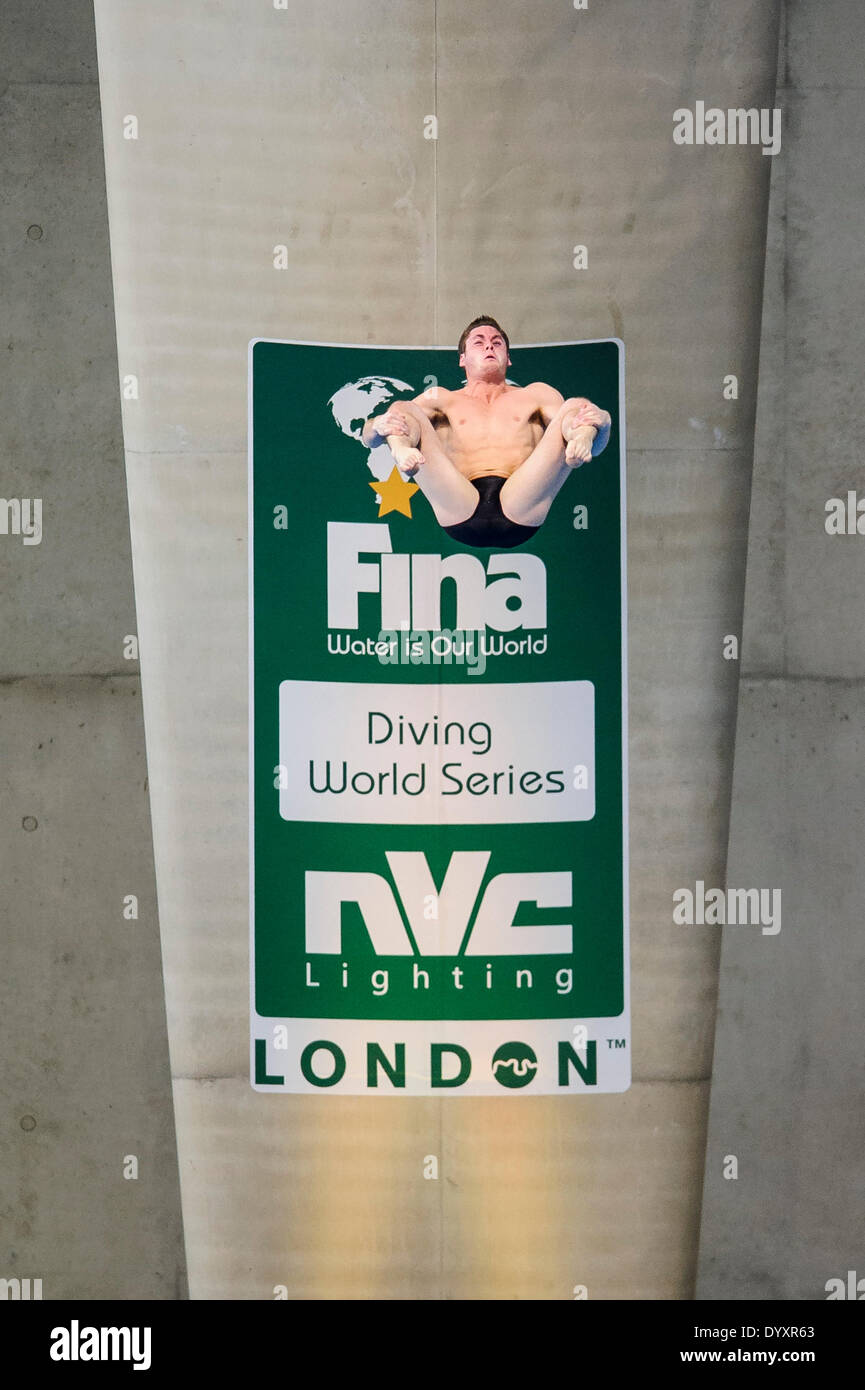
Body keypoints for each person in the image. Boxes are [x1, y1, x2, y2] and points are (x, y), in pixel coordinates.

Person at [360, 316, 611, 548]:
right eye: (479, 342)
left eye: (497, 343)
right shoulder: (442, 399)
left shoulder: (536, 394)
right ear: (462, 358)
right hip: (459, 501)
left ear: (508, 358)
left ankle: (582, 439)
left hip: (521, 501)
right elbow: (368, 438)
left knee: (576, 405)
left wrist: (603, 424)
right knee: (403, 408)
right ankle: (401, 449)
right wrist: (377, 426)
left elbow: (581, 427)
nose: (489, 347)